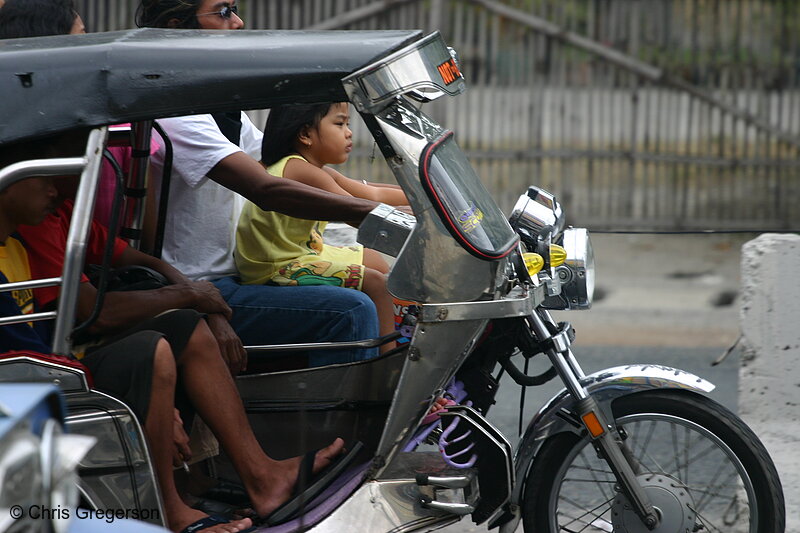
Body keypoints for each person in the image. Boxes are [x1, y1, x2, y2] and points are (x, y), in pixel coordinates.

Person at [0, 135, 346, 533]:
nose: (56, 186)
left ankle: (263, 477)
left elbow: (129, 258)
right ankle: (171, 513)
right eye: (45, 175)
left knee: (186, 327)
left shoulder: (38, 232)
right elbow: (82, 320)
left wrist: (197, 298)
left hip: (57, 363)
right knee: (157, 350)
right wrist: (163, 403)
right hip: (44, 377)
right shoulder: (32, 234)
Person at [137, 0, 385, 366]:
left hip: (237, 277)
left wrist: (423, 200)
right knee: (351, 309)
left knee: (384, 271)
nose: (238, 22)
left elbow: (291, 166)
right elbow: (265, 188)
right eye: (223, 12)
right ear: (178, 25)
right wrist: (376, 216)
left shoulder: (218, 110)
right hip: (201, 284)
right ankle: (348, 419)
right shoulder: (177, 113)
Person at [235, 103, 407, 350]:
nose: (349, 132)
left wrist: (429, 195)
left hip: (303, 253)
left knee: (374, 259)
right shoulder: (298, 169)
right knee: (375, 282)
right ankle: (385, 361)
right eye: (339, 124)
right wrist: (414, 214)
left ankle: (390, 333)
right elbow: (354, 208)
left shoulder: (315, 169)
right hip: (278, 266)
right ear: (305, 135)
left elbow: (374, 193)